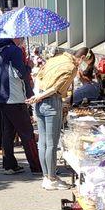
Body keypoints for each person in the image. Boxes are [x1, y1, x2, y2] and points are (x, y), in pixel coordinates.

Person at [0, 37, 42, 175]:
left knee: (8, 132)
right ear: (14, 37)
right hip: (15, 97)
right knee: (27, 133)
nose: (23, 39)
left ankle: (9, 165)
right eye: (21, 37)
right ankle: (36, 165)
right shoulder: (14, 50)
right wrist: (29, 66)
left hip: (1, 96)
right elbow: (19, 73)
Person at [27, 49, 84, 190]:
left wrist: (37, 96)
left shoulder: (55, 59)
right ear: (81, 58)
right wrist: (40, 97)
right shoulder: (71, 67)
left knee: (43, 142)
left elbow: (39, 77)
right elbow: (55, 88)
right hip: (51, 101)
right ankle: (52, 178)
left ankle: (46, 177)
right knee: (51, 144)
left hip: (40, 101)